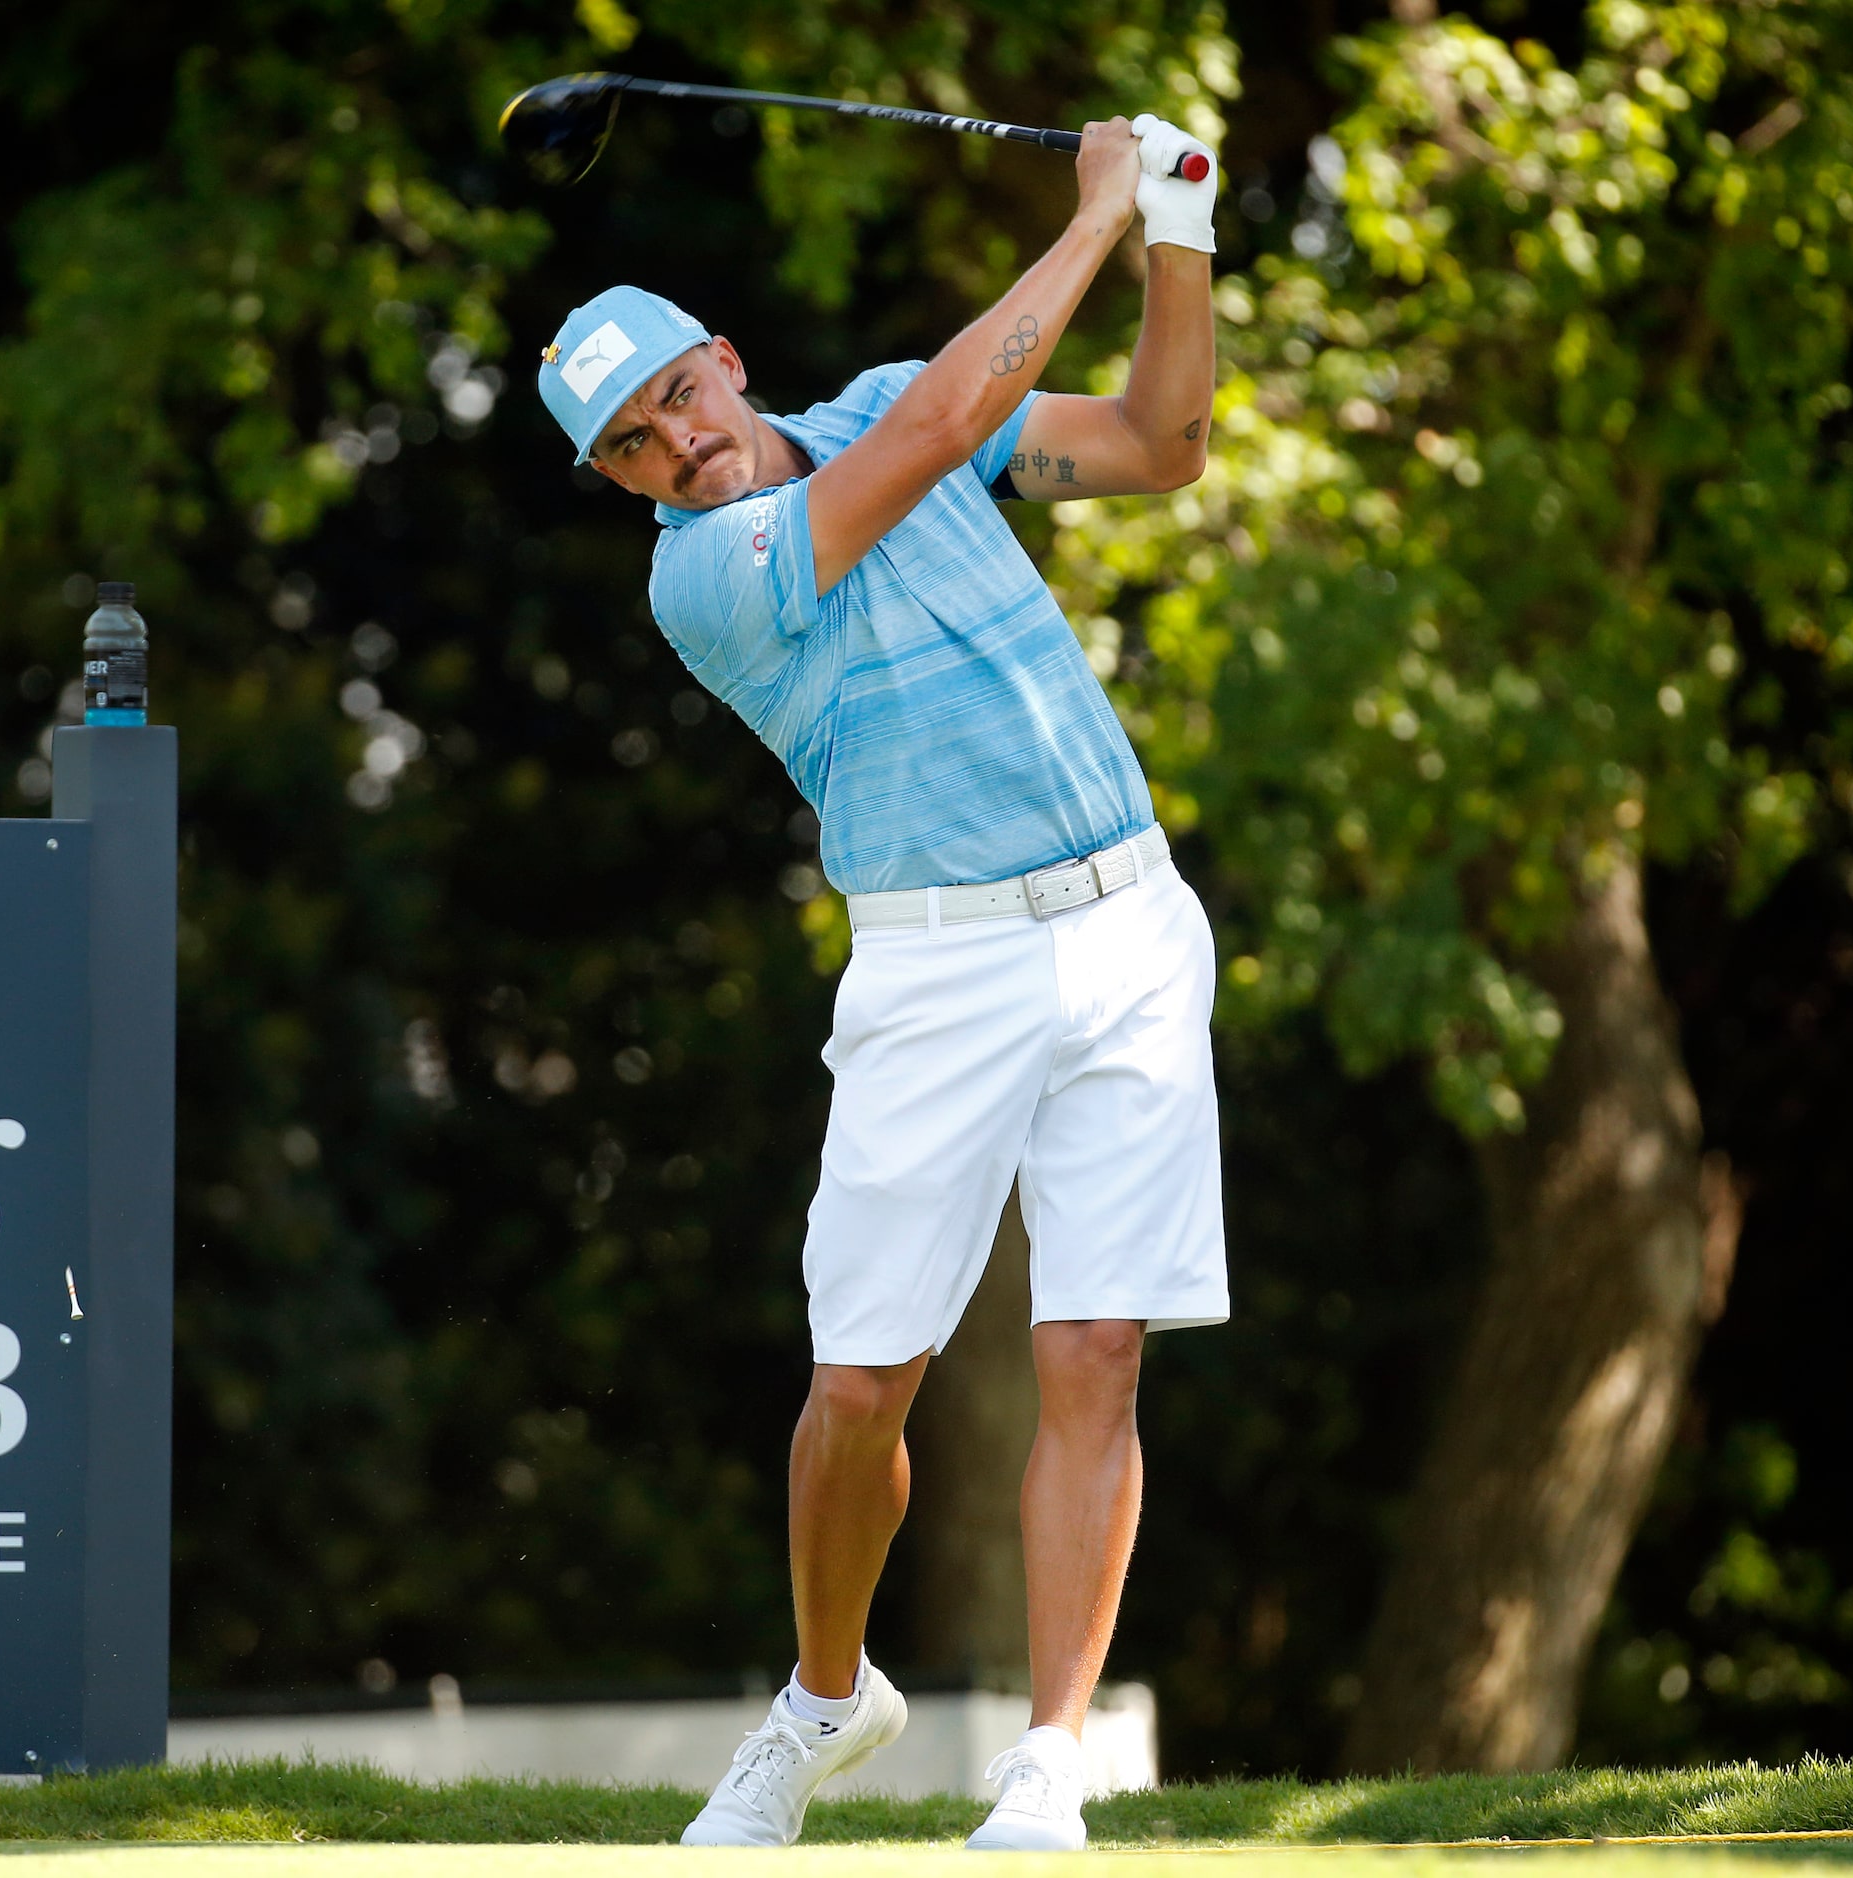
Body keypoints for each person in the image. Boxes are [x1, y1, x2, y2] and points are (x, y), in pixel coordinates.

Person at [532, 113, 1226, 1852]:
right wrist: (1090, 213)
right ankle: (827, 1695)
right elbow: (944, 425)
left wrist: (1180, 231)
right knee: (858, 1387)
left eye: (678, 399)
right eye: (632, 448)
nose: (677, 447)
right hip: (939, 969)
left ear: (723, 359)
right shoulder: (710, 575)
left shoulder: (863, 420)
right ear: (619, 485)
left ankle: (1050, 1760)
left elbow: (1158, 444)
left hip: (1128, 922)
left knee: (1093, 1352)